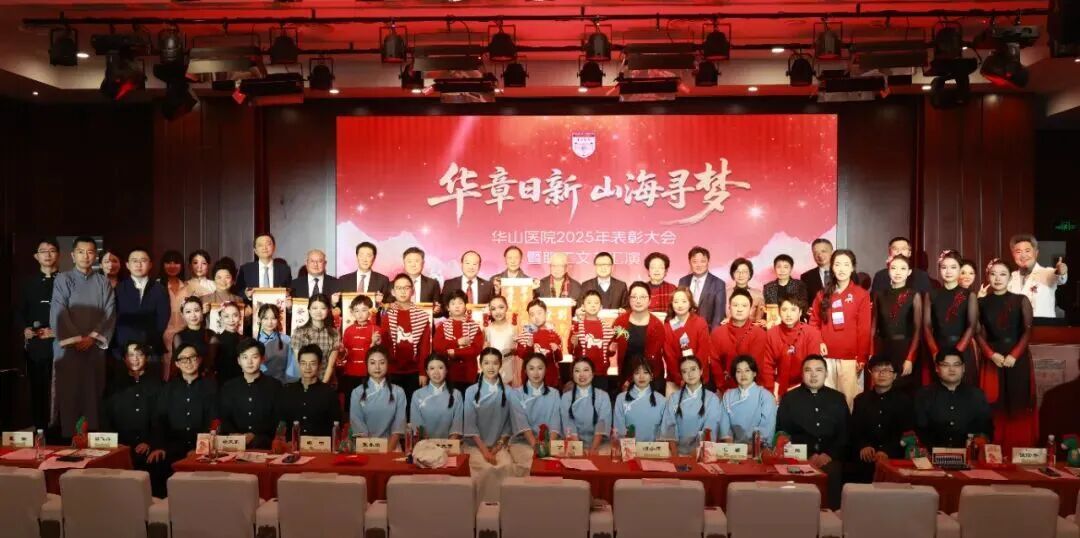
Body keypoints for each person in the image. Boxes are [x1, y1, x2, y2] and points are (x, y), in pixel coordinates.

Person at [50, 236, 116, 439]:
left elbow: (109, 312)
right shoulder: (63, 279)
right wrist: (77, 339)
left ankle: (93, 439)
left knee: (93, 394)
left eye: (90, 252)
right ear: (73, 255)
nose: (85, 256)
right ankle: (69, 440)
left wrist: (92, 338)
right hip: (68, 349)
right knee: (69, 394)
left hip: (94, 348)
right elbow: (59, 311)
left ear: (95, 256)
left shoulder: (103, 281)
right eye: (81, 252)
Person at [977, 258, 1037, 450]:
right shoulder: (981, 302)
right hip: (993, 358)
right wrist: (990, 354)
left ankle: (1019, 447)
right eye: (993, 274)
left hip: (1017, 357)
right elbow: (978, 333)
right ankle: (995, 449)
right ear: (988, 277)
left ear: (1010, 277)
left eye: (1002, 274)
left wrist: (1014, 355)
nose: (997, 278)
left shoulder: (1021, 300)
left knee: (1018, 401)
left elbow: (1027, 332)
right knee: (994, 402)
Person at [776, 355, 848, 509]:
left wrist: (829, 455)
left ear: (826, 373)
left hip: (830, 459)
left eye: (819, 370)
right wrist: (807, 455)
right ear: (802, 374)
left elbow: (845, 432)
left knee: (834, 474)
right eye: (808, 370)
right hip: (798, 459)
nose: (814, 375)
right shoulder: (789, 398)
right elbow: (783, 433)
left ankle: (830, 519)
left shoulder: (838, 398)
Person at [100, 342, 168, 497]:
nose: (135, 359)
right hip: (121, 447)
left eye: (139, 355)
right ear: (124, 359)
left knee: (157, 465)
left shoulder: (158, 385)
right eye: (131, 355)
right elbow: (105, 418)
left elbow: (162, 418)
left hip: (149, 445)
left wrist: (151, 442)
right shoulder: (113, 387)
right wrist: (117, 446)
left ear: (146, 358)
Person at [464, 348, 530, 502]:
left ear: (500, 365)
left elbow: (509, 425)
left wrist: (497, 447)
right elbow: (470, 425)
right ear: (480, 365)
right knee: (486, 469)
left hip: (498, 447)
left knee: (506, 466)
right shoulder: (471, 391)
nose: (491, 367)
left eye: (495, 363)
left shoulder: (509, 391)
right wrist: (485, 452)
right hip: (475, 446)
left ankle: (505, 508)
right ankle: (482, 507)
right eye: (486, 363)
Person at [809, 249, 872, 409]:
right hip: (826, 356)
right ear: (832, 267)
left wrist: (862, 357)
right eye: (837, 264)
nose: (841, 269)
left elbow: (864, 328)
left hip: (850, 358)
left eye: (846, 264)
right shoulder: (822, 294)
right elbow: (814, 323)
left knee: (850, 402)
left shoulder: (861, 295)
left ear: (852, 268)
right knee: (826, 401)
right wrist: (819, 342)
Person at [155, 343, 217, 492]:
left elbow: (213, 420)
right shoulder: (168, 389)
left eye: (192, 358)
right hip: (173, 446)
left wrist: (200, 448)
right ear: (177, 363)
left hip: (202, 447)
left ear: (199, 360)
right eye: (183, 359)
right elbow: (160, 419)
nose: (188, 362)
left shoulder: (211, 387)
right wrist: (160, 446)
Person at [849, 355, 913, 482]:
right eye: (877, 370)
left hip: (894, 457)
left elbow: (906, 432)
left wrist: (887, 451)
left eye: (887, 370)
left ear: (894, 375)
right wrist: (863, 446)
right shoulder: (860, 400)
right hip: (866, 457)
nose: (882, 374)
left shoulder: (904, 401)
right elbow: (854, 430)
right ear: (871, 374)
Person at [17, 238, 59, 430]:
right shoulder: (28, 283)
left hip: (60, 343)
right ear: (36, 256)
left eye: (52, 250)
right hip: (37, 344)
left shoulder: (66, 281)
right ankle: (40, 428)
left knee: (60, 388)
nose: (48, 254)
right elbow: (19, 311)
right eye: (43, 251)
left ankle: (59, 430)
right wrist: (24, 329)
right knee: (38, 387)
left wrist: (57, 331)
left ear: (58, 254)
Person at [914, 350, 993, 448]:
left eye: (956, 365)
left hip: (968, 454)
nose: (952, 369)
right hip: (931, 454)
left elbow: (986, 429)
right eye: (945, 365)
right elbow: (919, 429)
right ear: (937, 368)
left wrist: (981, 439)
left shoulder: (977, 395)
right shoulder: (924, 395)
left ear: (963, 368)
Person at [113, 248, 171, 380]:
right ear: (127, 265)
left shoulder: (159, 289)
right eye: (134, 261)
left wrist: (148, 343)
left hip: (151, 347)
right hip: (124, 349)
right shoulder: (118, 289)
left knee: (152, 386)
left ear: (150, 264)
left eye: (143, 261)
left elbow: (163, 319)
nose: (139, 265)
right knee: (123, 387)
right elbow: (114, 318)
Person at [924, 250, 978, 385]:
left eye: (953, 267)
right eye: (944, 267)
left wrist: (957, 353)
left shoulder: (969, 295)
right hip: (938, 348)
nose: (948, 271)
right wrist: (935, 351)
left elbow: (971, 326)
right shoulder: (931, 295)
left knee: (963, 389)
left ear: (960, 269)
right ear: (939, 270)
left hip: (962, 348)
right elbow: (927, 326)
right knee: (938, 389)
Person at [870, 254, 923, 390]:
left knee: (903, 389)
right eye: (894, 268)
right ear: (888, 270)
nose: (898, 272)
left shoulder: (914, 295)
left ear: (909, 272)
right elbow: (874, 326)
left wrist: (910, 358)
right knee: (882, 388)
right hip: (883, 348)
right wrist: (871, 352)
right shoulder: (879, 295)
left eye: (902, 268)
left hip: (904, 348)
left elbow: (918, 330)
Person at [219, 338, 283, 449]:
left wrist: (254, 435)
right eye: (245, 357)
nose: (249, 362)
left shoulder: (274, 386)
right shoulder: (229, 387)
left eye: (254, 357)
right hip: (234, 444)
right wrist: (235, 434)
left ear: (262, 359)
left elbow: (277, 419)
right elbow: (224, 417)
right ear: (239, 361)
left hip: (265, 444)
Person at [509, 353, 562, 476]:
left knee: (558, 465)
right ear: (525, 371)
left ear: (545, 370)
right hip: (524, 443)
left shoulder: (554, 393)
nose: (536, 373)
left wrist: (548, 447)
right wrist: (537, 447)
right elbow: (522, 424)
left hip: (550, 443)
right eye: (531, 368)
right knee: (533, 464)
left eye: (540, 368)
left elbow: (555, 421)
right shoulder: (516, 394)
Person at [763, 294, 825, 398]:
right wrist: (770, 391)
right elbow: (767, 366)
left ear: (800, 312)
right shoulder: (771, 334)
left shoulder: (812, 333)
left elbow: (813, 367)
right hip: (780, 385)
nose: (788, 314)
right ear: (779, 312)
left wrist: (799, 390)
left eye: (793, 310)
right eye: (784, 310)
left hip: (806, 386)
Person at [382, 274, 431, 399]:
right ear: (393, 292)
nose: (403, 291)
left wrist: (423, 372)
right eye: (399, 288)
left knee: (412, 406)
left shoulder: (422, 316)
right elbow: (383, 345)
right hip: (391, 370)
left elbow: (424, 348)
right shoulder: (386, 314)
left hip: (414, 371)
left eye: (406, 288)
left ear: (412, 291)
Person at [660, 356, 721, 456]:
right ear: (681, 375)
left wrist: (695, 453)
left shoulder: (712, 398)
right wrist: (675, 454)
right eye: (685, 371)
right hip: (676, 453)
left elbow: (710, 429)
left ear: (701, 371)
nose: (690, 374)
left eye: (693, 369)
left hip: (702, 453)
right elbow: (669, 426)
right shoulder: (674, 398)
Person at [349, 346, 407, 449]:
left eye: (382, 363)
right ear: (367, 365)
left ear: (388, 364)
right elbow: (358, 425)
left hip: (392, 448)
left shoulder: (398, 392)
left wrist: (388, 451)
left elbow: (398, 426)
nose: (377, 367)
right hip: (365, 447)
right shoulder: (357, 392)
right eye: (372, 363)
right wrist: (371, 449)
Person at [613, 282, 666, 392]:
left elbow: (652, 358)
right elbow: (611, 348)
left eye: (642, 297)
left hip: (650, 377)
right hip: (624, 377)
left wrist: (631, 380)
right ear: (629, 299)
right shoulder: (620, 322)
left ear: (649, 300)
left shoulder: (657, 325)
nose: (638, 301)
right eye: (634, 297)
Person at [280, 344, 341, 439]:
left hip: (320, 445)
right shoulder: (287, 391)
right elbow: (281, 423)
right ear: (298, 364)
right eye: (303, 363)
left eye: (312, 363)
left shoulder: (329, 393)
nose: (307, 367)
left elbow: (336, 424)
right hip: (292, 444)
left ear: (320, 365)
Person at [711, 288, 767, 390]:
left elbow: (758, 366)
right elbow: (715, 365)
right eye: (735, 305)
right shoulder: (717, 333)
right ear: (729, 308)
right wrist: (724, 388)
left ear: (750, 309)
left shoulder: (760, 334)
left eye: (744, 306)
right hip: (725, 389)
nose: (739, 309)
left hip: (753, 389)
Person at [339, 295, 383, 415]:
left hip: (368, 373)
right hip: (350, 372)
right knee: (351, 405)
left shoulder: (376, 329)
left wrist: (373, 344)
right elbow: (344, 355)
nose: (360, 314)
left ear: (370, 311)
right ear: (352, 312)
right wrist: (341, 351)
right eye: (356, 311)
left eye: (364, 310)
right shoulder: (348, 330)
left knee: (369, 404)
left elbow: (379, 355)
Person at [718, 355, 776, 445]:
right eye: (739, 371)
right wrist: (731, 447)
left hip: (759, 448)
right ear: (734, 374)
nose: (743, 375)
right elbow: (724, 427)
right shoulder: (728, 396)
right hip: (734, 448)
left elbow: (767, 428)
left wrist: (751, 448)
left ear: (754, 373)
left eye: (747, 370)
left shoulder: (765, 396)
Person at [662, 287, 713, 389]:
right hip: (677, 378)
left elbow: (703, 351)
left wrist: (695, 375)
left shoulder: (700, 322)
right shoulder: (668, 325)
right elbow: (669, 355)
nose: (680, 305)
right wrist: (680, 378)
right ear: (671, 304)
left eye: (684, 301)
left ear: (690, 304)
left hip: (699, 377)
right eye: (676, 302)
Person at [1007, 234, 1068, 319]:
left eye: (1027, 251)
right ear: (1013, 255)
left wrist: (1061, 271)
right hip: (1016, 326)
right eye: (1018, 252)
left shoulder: (1047, 273)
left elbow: (1059, 278)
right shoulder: (1009, 277)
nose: (1023, 255)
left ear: (1036, 253)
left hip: (1043, 325)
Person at [436, 289, 485, 394]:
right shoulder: (442, 326)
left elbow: (475, 349)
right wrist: (457, 342)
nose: (457, 306)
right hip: (448, 372)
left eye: (460, 303)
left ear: (466, 306)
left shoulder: (474, 326)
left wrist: (455, 352)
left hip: (469, 373)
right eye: (453, 303)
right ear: (448, 307)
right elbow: (438, 347)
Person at [560, 357, 612, 455]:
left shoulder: (603, 396)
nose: (581, 374)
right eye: (577, 371)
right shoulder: (566, 397)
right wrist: (578, 448)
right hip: (573, 443)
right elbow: (569, 424)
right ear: (572, 375)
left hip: (599, 444)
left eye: (586, 370)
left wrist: (593, 448)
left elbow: (602, 423)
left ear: (592, 374)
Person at [569, 290, 617, 392]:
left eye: (596, 303)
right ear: (583, 306)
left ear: (601, 307)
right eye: (589, 302)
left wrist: (611, 350)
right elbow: (571, 350)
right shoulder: (576, 327)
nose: (593, 305)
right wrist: (574, 344)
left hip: (601, 372)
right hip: (582, 373)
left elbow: (609, 352)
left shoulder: (607, 328)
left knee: (600, 398)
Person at [410, 354, 464, 440]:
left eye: (440, 368)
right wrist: (428, 446)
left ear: (446, 370)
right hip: (424, 445)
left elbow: (457, 428)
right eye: (432, 368)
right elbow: (416, 427)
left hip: (449, 445)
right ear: (427, 371)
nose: (436, 372)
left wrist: (447, 445)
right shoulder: (417, 394)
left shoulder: (456, 395)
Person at [291, 294, 341, 384]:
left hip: (327, 383)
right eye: (314, 308)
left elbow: (331, 365)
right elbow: (300, 363)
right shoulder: (299, 332)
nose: (318, 311)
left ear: (328, 310)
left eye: (323, 308)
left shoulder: (334, 334)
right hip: (305, 382)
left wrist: (323, 385)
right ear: (309, 310)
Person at [613, 357, 666, 441]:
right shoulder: (621, 398)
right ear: (632, 377)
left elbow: (664, 429)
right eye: (637, 373)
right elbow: (618, 428)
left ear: (651, 376)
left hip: (653, 447)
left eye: (645, 372)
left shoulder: (661, 400)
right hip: (628, 447)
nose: (641, 377)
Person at [514, 299, 563, 388]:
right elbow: (522, 355)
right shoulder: (525, 333)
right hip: (530, 381)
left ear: (546, 313)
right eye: (532, 314)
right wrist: (529, 346)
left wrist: (556, 349)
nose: (536, 317)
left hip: (550, 380)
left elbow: (559, 358)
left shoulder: (553, 333)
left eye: (539, 313)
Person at [677, 246, 727, 330]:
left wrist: (712, 335)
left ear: (708, 262)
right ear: (689, 262)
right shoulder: (683, 281)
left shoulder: (718, 283)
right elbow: (678, 308)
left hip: (707, 331)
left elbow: (719, 315)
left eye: (703, 261)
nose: (699, 265)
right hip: (685, 330)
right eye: (695, 261)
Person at [236, 233, 293, 301]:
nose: (264, 248)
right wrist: (246, 295)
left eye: (268, 244)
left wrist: (287, 295)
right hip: (252, 307)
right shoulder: (245, 269)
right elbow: (238, 292)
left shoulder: (284, 270)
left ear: (274, 247)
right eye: (260, 245)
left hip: (277, 307)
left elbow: (290, 291)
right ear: (255, 250)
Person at [171, 296, 219, 376]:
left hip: (207, 377)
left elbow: (213, 362)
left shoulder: (211, 334)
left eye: (196, 310)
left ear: (202, 311)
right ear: (182, 315)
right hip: (186, 377)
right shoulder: (179, 336)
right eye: (188, 312)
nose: (193, 315)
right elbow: (179, 362)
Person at [158, 250, 188, 376]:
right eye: (168, 262)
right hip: (163, 334)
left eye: (176, 262)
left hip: (184, 333)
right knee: (164, 369)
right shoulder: (157, 286)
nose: (172, 266)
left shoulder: (187, 286)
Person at [256, 304, 297, 385]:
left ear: (278, 319)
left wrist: (290, 383)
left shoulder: (286, 340)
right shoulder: (254, 342)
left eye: (273, 318)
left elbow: (292, 366)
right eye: (265, 318)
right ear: (260, 319)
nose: (269, 322)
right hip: (259, 385)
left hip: (282, 384)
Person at [483, 296, 519, 386]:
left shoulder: (513, 328)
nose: (498, 311)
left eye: (501, 307)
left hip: (509, 367)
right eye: (493, 309)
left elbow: (517, 349)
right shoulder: (487, 329)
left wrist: (511, 351)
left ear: (507, 307)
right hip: (492, 368)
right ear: (490, 311)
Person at [763, 254, 808, 326]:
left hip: (794, 322)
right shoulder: (768, 287)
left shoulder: (799, 285)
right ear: (774, 268)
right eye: (779, 267)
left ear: (791, 268)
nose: (782, 270)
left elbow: (804, 306)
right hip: (774, 323)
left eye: (786, 267)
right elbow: (767, 308)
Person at [726, 258, 766, 323]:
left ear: (750, 274)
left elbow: (759, 321)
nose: (741, 275)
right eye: (737, 271)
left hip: (751, 329)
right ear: (733, 274)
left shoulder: (758, 294)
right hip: (728, 328)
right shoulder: (725, 294)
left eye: (744, 272)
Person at [214, 302, 243, 384]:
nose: (231, 320)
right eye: (226, 316)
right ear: (221, 318)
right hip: (222, 383)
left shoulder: (245, 339)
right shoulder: (216, 340)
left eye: (235, 315)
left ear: (240, 317)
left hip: (241, 383)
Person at [800, 238, 835, 307]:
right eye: (815, 253)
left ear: (832, 252)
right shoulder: (806, 277)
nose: (819, 255)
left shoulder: (845, 273)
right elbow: (804, 303)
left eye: (823, 251)